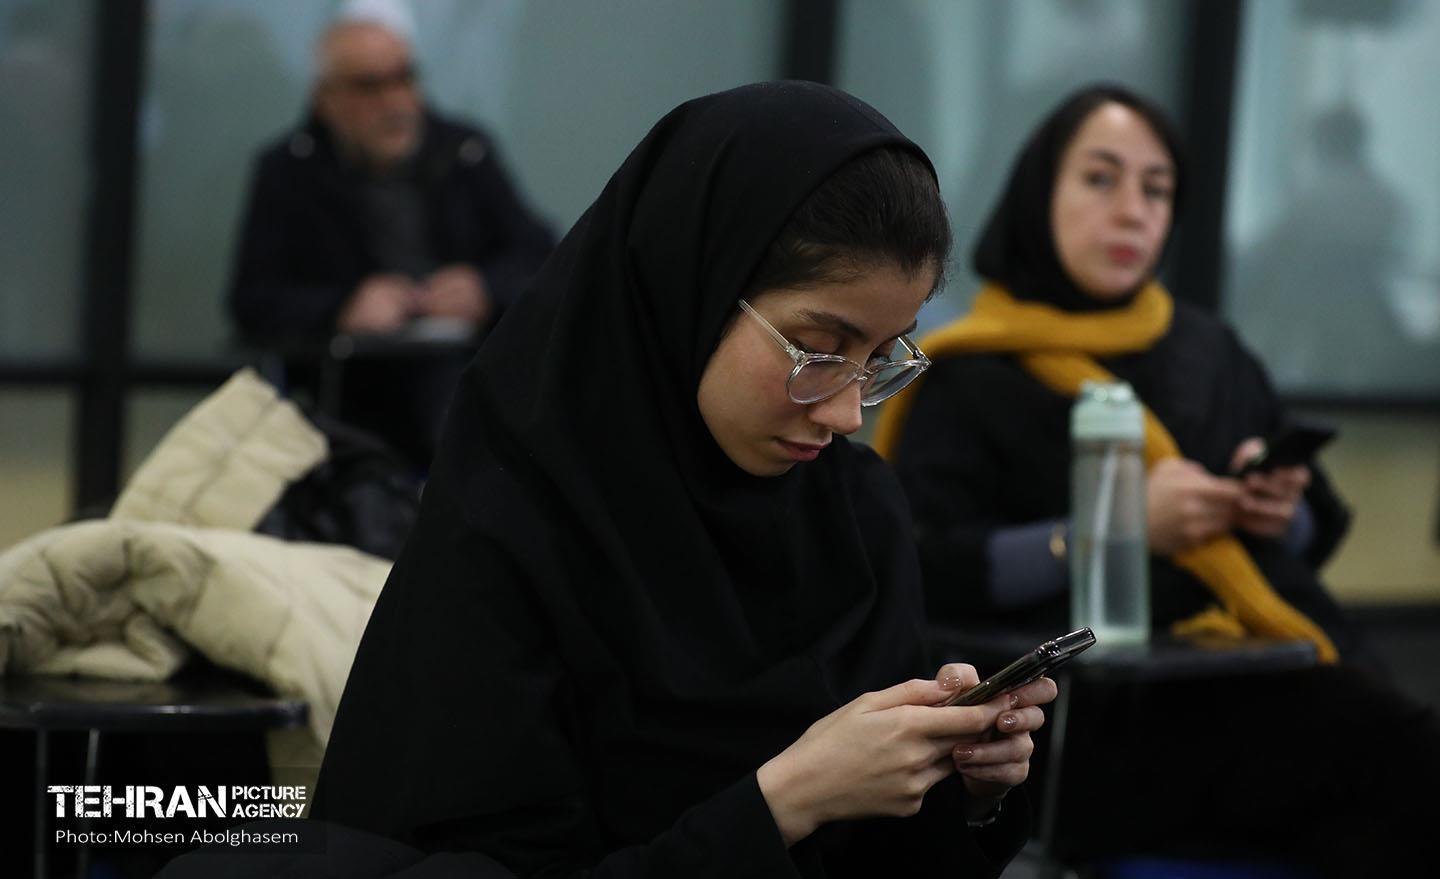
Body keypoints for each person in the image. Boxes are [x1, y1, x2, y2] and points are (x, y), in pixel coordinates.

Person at [303, 82, 1057, 877]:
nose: (846, 413)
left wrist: (962, 787)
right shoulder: (514, 522)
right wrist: (786, 800)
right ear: (689, 287)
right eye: (818, 349)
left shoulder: (852, 512)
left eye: (880, 358)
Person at [873, 84, 1440, 875]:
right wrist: (1109, 530)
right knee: (1398, 759)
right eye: (1100, 179)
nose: (1132, 211)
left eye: (1157, 189)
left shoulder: (1207, 350)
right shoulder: (970, 374)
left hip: (1258, 673)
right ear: (1039, 196)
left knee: (1380, 795)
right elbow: (928, 563)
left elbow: (1312, 527)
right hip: (1084, 715)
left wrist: (1276, 509)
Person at [228, 10, 554, 469]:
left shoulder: (465, 151)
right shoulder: (289, 171)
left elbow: (541, 256)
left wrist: (483, 288)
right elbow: (252, 300)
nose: (394, 101)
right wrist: (342, 308)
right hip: (349, 391)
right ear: (327, 97)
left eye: (404, 78)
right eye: (370, 86)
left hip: (465, 372)